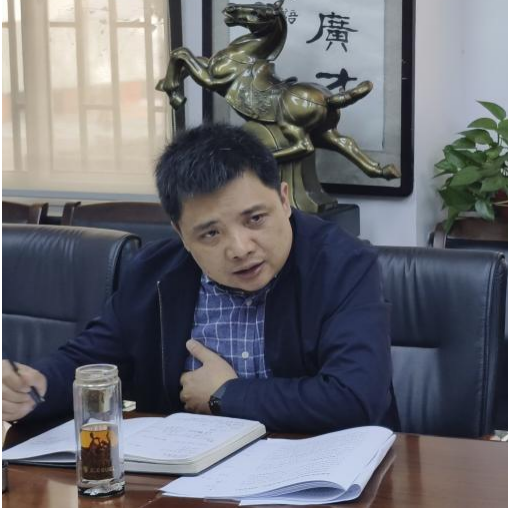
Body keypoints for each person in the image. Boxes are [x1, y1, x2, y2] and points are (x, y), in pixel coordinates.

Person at [2, 124, 398, 433]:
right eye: (210, 233)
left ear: (283, 199)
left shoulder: (343, 265)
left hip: (323, 473)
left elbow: (356, 397)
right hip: (189, 478)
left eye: (254, 219)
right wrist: (39, 386)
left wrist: (227, 395)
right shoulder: (154, 273)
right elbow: (90, 359)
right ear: (181, 233)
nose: (239, 248)